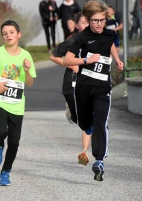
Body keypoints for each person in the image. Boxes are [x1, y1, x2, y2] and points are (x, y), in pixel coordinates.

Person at [63, 0, 124, 181]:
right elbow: (67, 60)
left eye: (102, 20)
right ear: (88, 20)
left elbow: (110, 44)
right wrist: (86, 61)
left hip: (102, 87)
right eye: (96, 20)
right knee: (84, 123)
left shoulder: (110, 34)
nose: (99, 24)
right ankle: (80, 119)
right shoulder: (81, 37)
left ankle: (99, 160)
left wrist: (117, 59)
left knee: (100, 122)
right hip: (83, 87)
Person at [0, 20, 36, 186]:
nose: (8, 35)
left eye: (11, 32)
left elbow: (30, 83)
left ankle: (5, 172)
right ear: (2, 36)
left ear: (19, 34)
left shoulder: (26, 56)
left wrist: (26, 71)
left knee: (15, 142)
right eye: (5, 33)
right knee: (2, 131)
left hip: (17, 104)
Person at [50, 12, 91, 166]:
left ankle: (85, 151)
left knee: (88, 118)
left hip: (88, 84)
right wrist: (71, 64)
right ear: (76, 25)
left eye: (88, 22)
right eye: (82, 22)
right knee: (77, 118)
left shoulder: (95, 41)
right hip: (71, 84)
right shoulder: (72, 41)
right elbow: (54, 56)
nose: (86, 25)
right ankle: (71, 111)